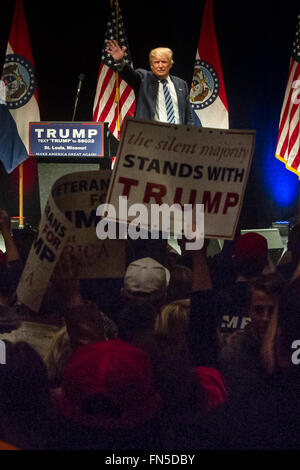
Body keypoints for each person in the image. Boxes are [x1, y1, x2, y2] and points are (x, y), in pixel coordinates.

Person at [106, 39, 194, 126]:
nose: (160, 66)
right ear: (151, 65)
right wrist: (120, 62)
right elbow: (129, 74)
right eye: (156, 62)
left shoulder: (181, 84)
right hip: (151, 136)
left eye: (164, 62)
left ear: (170, 64)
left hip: (177, 136)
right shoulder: (143, 79)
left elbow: (188, 116)